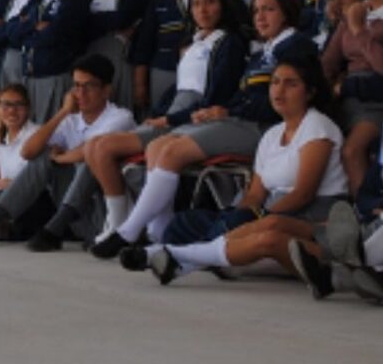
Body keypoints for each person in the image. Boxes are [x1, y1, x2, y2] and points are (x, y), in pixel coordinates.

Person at [92, 0, 317, 259]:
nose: (260, 16)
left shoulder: (296, 46)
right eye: (256, 10)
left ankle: (128, 231)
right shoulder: (262, 52)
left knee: (172, 150)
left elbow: (282, 101)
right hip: (238, 120)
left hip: (265, 129)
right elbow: (240, 95)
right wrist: (217, 110)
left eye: (269, 9)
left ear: (286, 13)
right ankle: (158, 234)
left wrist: (229, 111)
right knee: (157, 147)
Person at [123, 58, 348, 286]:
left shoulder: (318, 126)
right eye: (275, 82)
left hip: (306, 214)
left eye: (291, 84)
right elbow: (254, 195)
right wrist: (238, 216)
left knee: (257, 227)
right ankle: (198, 253)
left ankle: (176, 256)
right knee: (184, 224)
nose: (279, 90)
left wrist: (256, 216)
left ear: (309, 92)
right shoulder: (271, 135)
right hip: (269, 211)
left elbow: (303, 194)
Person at [75, 0, 248, 248]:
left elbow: (215, 95)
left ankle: (124, 225)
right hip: (176, 111)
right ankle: (124, 220)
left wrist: (169, 120)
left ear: (223, 6)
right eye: (197, 4)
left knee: (103, 148)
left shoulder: (228, 42)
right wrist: (159, 113)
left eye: (210, 2)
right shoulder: (193, 41)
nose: (203, 9)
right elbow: (179, 88)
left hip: (191, 117)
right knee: (93, 146)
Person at [0, 54, 135, 246]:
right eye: (77, 86)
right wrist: (62, 112)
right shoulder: (70, 120)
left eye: (89, 86)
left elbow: (91, 151)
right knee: (44, 157)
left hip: (108, 213)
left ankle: (50, 230)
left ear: (107, 90)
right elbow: (28, 152)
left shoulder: (120, 118)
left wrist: (61, 158)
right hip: (77, 215)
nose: (81, 93)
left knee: (83, 161)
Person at [322, 0, 383, 193]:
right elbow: (327, 63)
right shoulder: (355, 12)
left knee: (352, 150)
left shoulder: (357, 20)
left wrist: (359, 32)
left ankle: (365, 217)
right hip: (347, 97)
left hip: (376, 100)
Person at [129, 0, 207, 118]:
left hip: (201, 72)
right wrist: (140, 84)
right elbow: (145, 43)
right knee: (160, 120)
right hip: (164, 69)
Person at [17, 0, 87, 123]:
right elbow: (11, 29)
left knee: (52, 132)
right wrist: (33, 26)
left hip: (55, 76)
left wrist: (26, 31)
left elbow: (52, 35)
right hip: (30, 75)